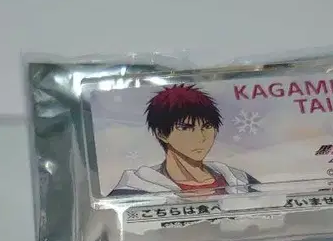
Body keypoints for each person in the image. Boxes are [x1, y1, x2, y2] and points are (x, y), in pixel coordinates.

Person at [109, 84, 257, 196]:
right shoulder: (136, 188)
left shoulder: (239, 180)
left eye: (207, 126)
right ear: (162, 134)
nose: (200, 138)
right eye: (186, 128)